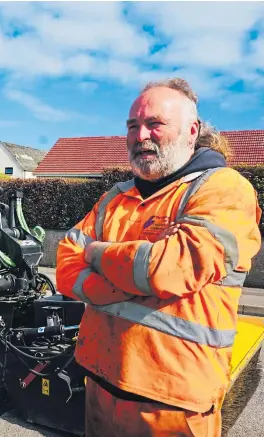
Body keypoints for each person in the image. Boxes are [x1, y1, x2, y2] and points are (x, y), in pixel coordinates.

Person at [56, 78, 262, 437]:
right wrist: (124, 281)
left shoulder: (224, 189)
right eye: (133, 126)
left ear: (191, 130)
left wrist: (95, 252)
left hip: (172, 403)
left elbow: (166, 270)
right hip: (101, 387)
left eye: (155, 124)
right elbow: (65, 264)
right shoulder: (114, 198)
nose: (141, 136)